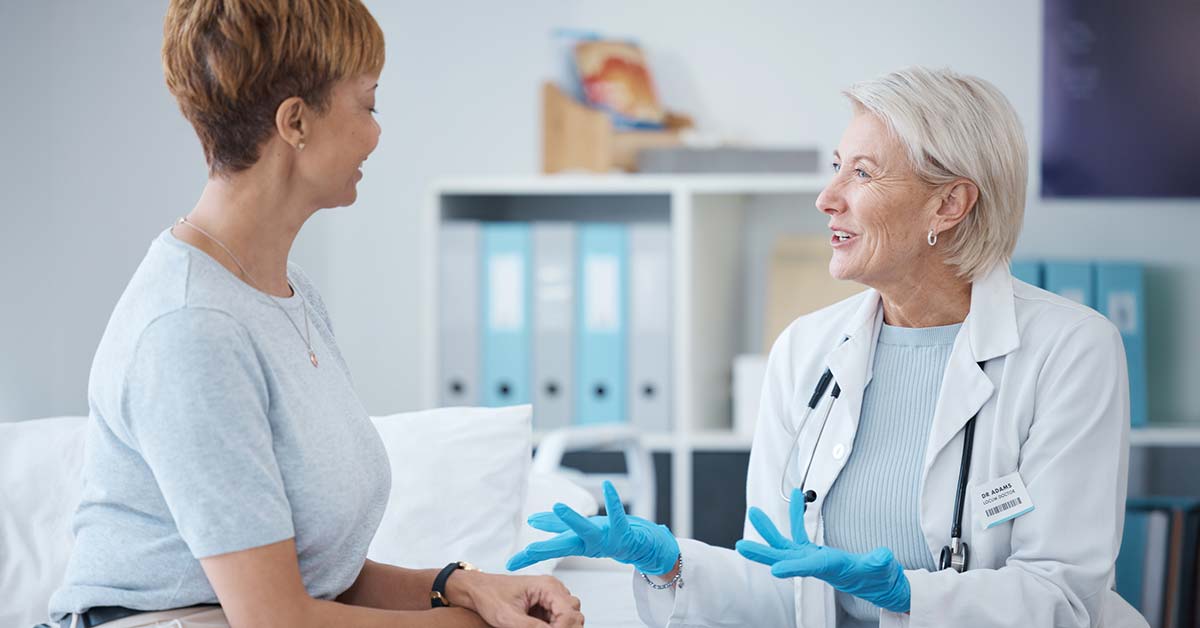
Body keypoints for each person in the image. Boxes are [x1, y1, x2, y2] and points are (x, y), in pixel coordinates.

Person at [507, 67, 1147, 627]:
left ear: (949, 203)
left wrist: (907, 596)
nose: (826, 198)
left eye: (862, 173)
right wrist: (671, 562)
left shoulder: (1070, 350)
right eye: (836, 166)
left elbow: (1062, 600)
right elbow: (782, 591)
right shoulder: (805, 350)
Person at [47, 2, 583, 627]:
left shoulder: (284, 293)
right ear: (295, 122)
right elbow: (277, 620)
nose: (377, 132)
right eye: (368, 103)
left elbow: (315, 578)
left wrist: (462, 589)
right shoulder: (192, 328)